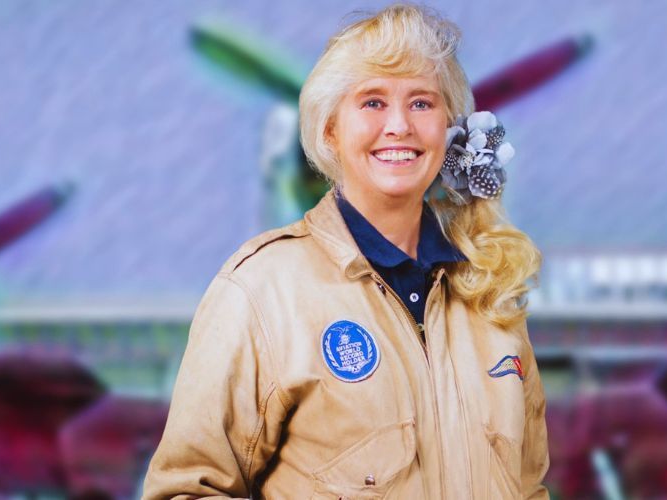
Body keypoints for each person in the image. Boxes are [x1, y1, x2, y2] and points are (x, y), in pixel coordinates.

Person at [142, 4, 547, 498]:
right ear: (330, 130)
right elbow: (186, 488)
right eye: (373, 102)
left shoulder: (491, 292)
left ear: (448, 127)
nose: (399, 126)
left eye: (422, 103)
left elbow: (529, 486)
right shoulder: (261, 291)